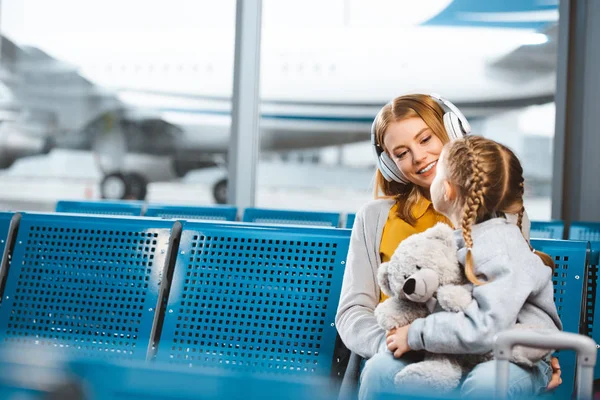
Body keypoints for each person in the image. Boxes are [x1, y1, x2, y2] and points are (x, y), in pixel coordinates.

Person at [334, 94, 562, 399]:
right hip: (408, 347)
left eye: (425, 138)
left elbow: (506, 300)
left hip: (480, 345)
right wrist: (391, 343)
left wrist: (534, 354)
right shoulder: (374, 218)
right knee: (380, 372)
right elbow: (353, 310)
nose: (418, 157)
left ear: (452, 133)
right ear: (389, 165)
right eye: (401, 153)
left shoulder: (497, 214)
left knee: (488, 383)